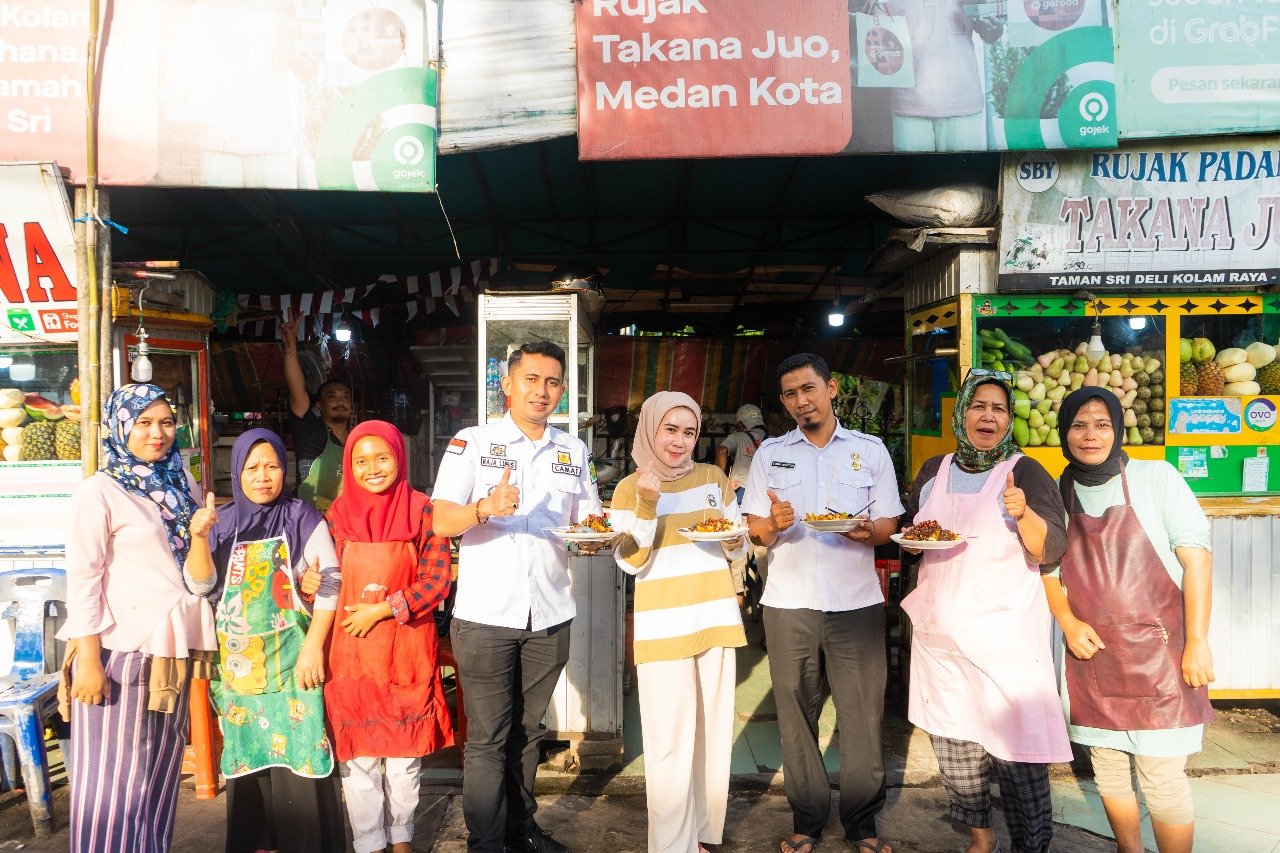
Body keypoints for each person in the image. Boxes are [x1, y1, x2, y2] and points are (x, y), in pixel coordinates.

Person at [431, 341, 602, 853]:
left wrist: (597, 535)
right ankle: (484, 844)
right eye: (531, 379)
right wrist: (484, 507)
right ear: (507, 384)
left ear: (562, 390)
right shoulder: (473, 442)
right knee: (488, 737)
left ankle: (520, 831)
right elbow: (442, 521)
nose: (541, 391)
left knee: (529, 732)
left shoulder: (573, 451)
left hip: (550, 615)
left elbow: (588, 521)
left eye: (552, 382)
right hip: (485, 617)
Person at [900, 370, 1071, 853]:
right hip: (941, 640)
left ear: (1009, 418)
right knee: (956, 750)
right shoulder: (934, 469)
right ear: (962, 413)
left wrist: (1023, 513)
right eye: (978, 406)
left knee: (1020, 758)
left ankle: (1030, 846)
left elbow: (1052, 547)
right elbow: (913, 534)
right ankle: (981, 839)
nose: (988, 416)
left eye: (998, 408)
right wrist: (910, 542)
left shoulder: (1026, 472)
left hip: (1005, 643)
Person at [741, 353, 903, 853]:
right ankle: (807, 819)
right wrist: (773, 525)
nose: (801, 401)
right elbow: (754, 529)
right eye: (790, 394)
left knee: (862, 715)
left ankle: (862, 823)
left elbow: (888, 524)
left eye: (808, 388)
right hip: (789, 604)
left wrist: (865, 530)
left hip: (856, 604)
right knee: (795, 714)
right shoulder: (770, 454)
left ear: (830, 389)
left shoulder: (869, 451)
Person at [1043, 388, 1215, 853]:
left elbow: (1197, 561)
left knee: (1162, 777)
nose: (1090, 435)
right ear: (1064, 433)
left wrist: (1197, 641)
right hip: (1093, 655)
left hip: (1162, 657)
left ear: (1118, 429)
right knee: (1109, 769)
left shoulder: (1155, 478)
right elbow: (1048, 572)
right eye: (1078, 425)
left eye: (1102, 424)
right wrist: (1068, 623)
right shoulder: (1059, 492)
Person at [59, 384, 218, 852]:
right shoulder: (99, 492)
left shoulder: (180, 484)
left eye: (166, 422)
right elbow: (84, 579)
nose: (157, 433)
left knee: (157, 781)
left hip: (170, 651)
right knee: (111, 788)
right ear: (121, 426)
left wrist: (201, 536)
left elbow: (196, 576)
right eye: (144, 423)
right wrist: (88, 660)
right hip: (118, 654)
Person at [184, 428, 344, 853]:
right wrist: (198, 538)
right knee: (249, 759)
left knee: (302, 758)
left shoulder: (301, 517)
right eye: (252, 467)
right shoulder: (220, 522)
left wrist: (313, 648)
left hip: (294, 666)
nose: (263, 476)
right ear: (237, 471)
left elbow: (330, 581)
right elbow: (201, 586)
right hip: (240, 672)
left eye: (272, 466)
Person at [610, 391, 748, 853]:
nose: (680, 441)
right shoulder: (629, 488)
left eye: (689, 432)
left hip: (715, 618)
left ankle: (703, 837)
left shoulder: (713, 478)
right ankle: (672, 847)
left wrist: (736, 541)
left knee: (712, 740)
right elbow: (630, 560)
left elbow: (735, 544)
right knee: (668, 745)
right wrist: (648, 503)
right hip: (662, 627)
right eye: (670, 429)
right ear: (651, 430)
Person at [324, 421, 454, 853]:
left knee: (403, 755)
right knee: (358, 755)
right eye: (361, 461)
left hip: (405, 650)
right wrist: (308, 582)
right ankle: (368, 841)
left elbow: (436, 582)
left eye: (382, 458)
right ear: (349, 467)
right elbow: (323, 580)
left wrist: (383, 609)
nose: (372, 469)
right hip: (351, 653)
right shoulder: (335, 517)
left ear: (399, 458)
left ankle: (401, 837)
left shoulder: (423, 511)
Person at [882, 0, 1004, 152]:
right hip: (909, 103)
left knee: (962, 168)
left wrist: (995, 24)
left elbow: (990, 34)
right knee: (912, 168)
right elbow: (876, 30)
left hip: (962, 103)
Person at [281, 314, 353, 512]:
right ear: (319, 406)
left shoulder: (358, 440)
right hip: (309, 517)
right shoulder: (309, 429)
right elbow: (297, 389)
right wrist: (290, 348)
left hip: (345, 519)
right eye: (332, 396)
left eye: (346, 397)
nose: (340, 401)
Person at [716, 403, 767, 502]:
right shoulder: (773, 440)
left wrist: (720, 482)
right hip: (764, 492)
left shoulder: (738, 437)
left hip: (740, 489)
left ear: (740, 425)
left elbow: (722, 451)